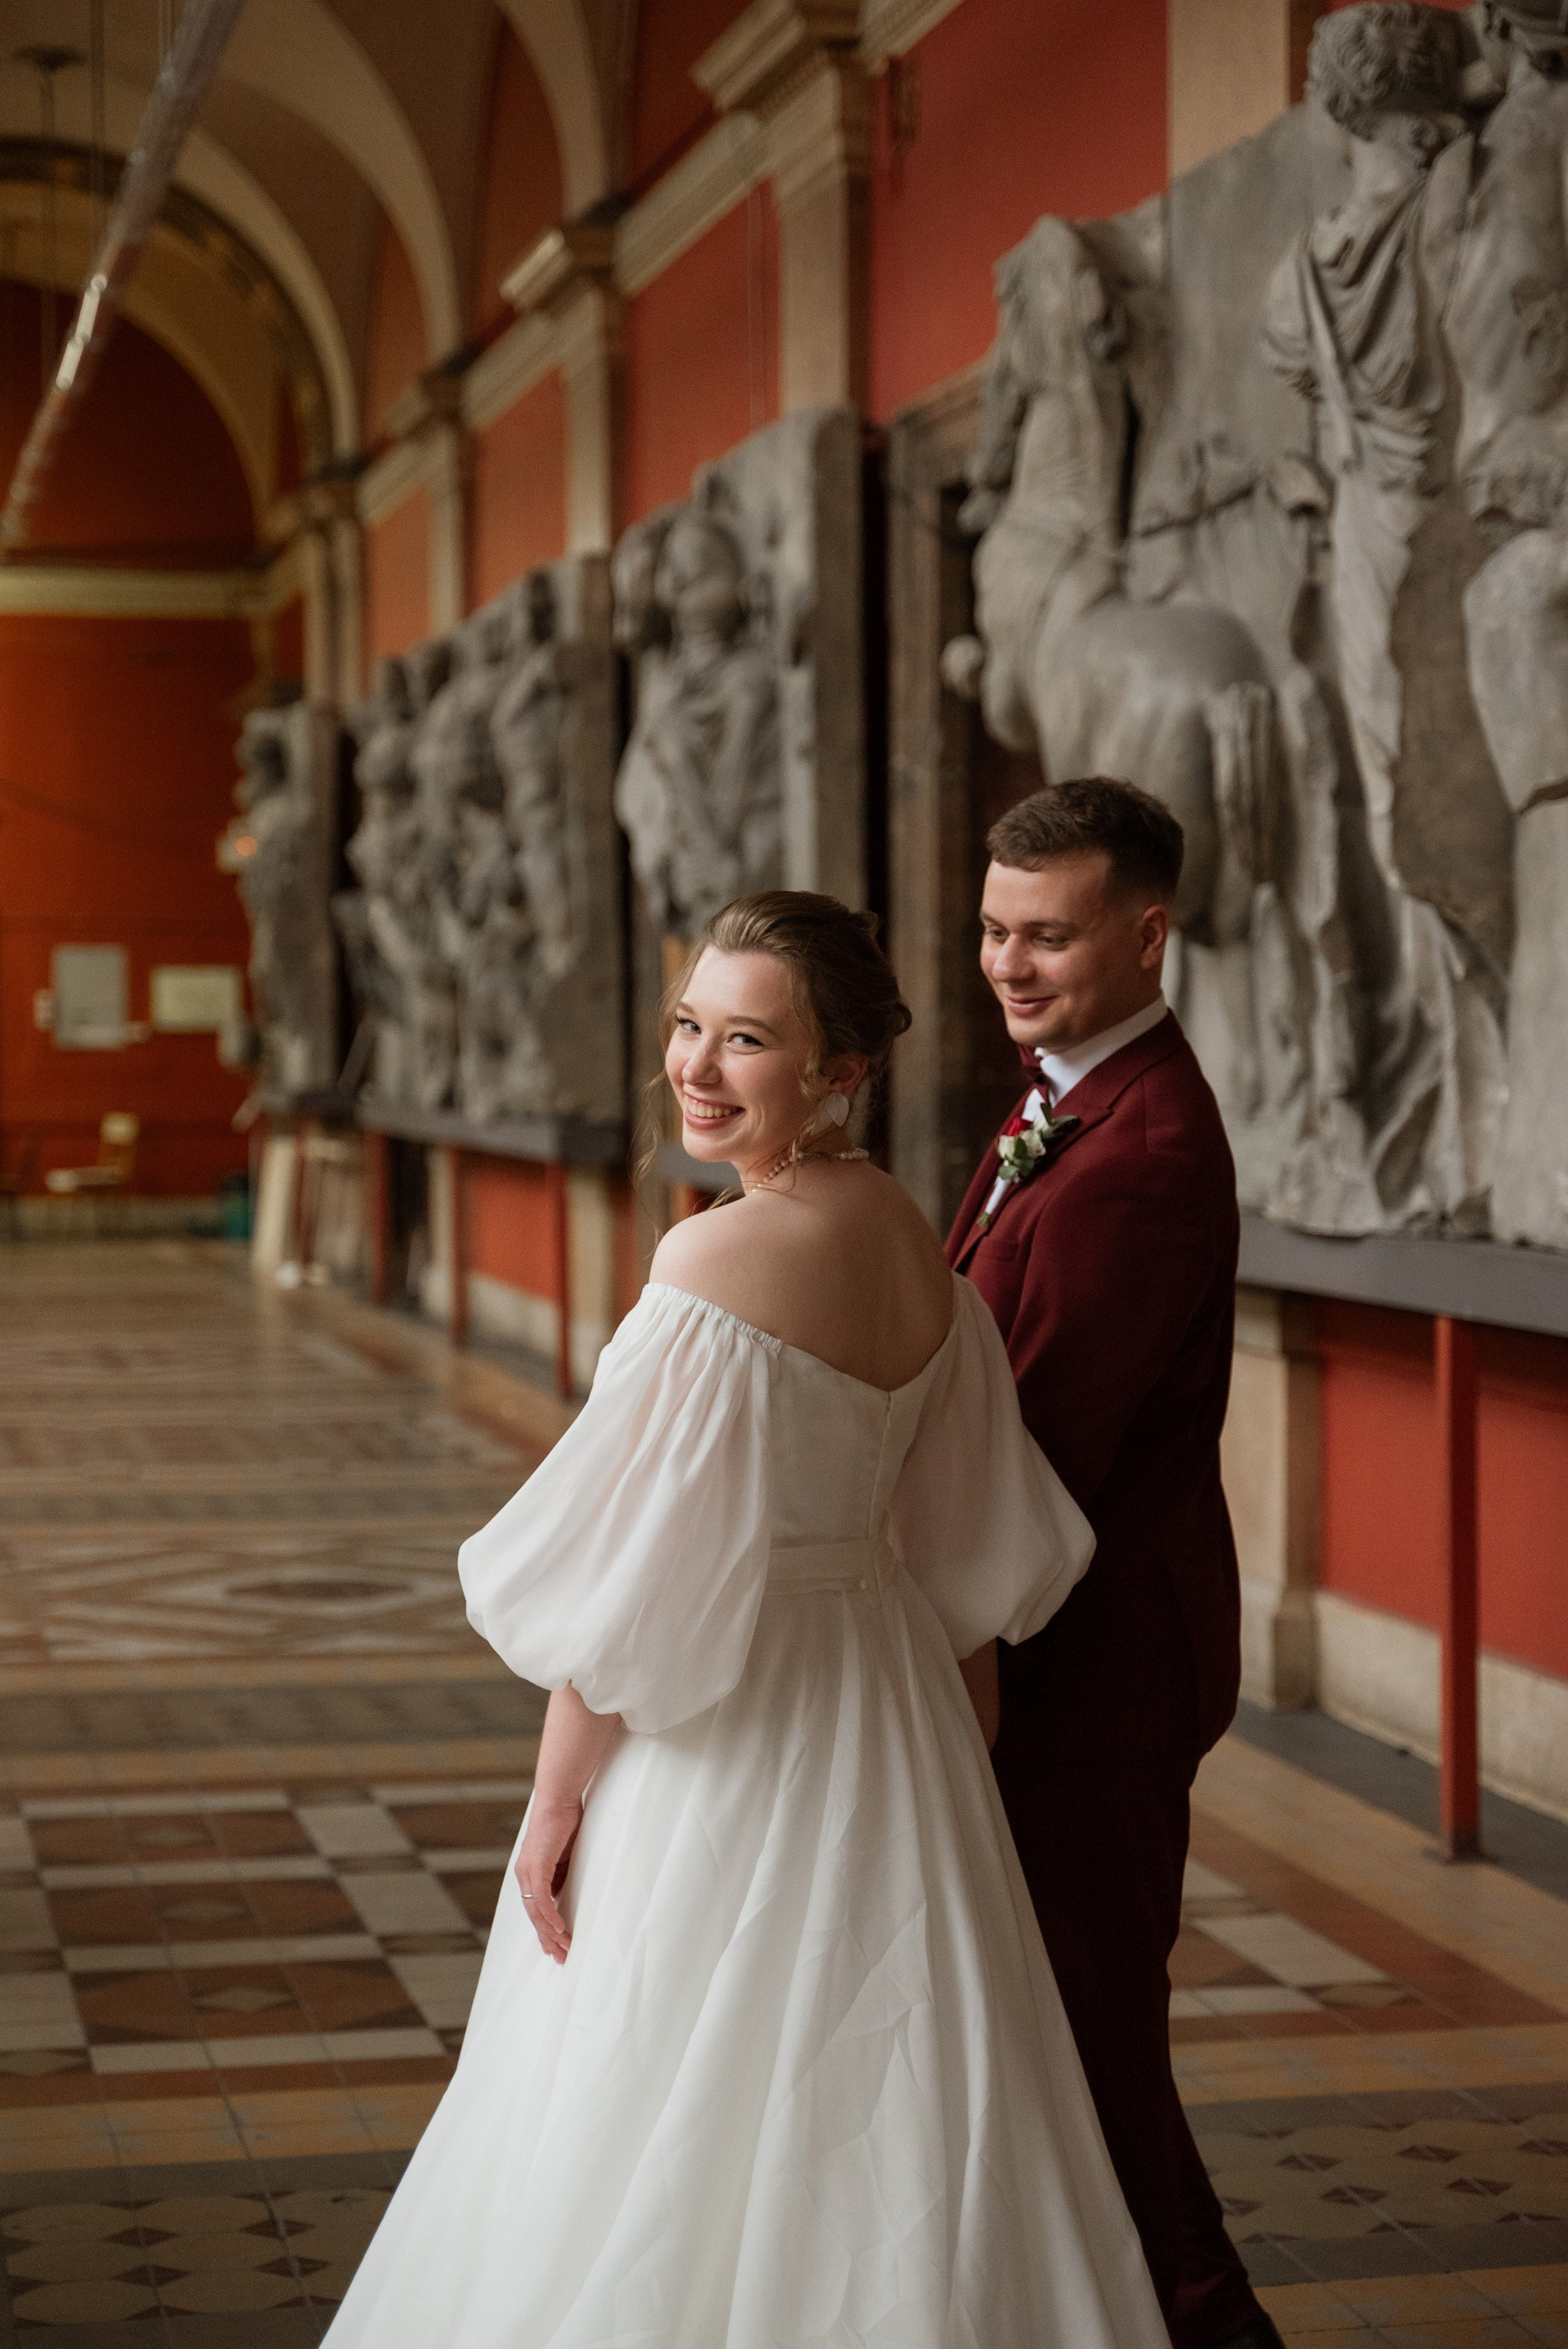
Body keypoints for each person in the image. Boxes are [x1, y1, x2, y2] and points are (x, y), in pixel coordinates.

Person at [325, 890, 1167, 2349]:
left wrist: (551, 1802)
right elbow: (969, 1557)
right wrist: (956, 1771)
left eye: (750, 1041)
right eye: (690, 1026)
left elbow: (632, 1587)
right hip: (890, 1708)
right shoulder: (915, 1244)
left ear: (841, 1070)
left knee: (652, 2098)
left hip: (737, 1725)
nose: (701, 1068)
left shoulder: (713, 1267)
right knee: (901, 2100)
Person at [946, 779, 1281, 2349]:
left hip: (1093, 1668)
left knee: (1091, 2033)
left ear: (1145, 932)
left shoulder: (1138, 1144)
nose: (1009, 965)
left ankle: (1205, 2323)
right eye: (995, 929)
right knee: (1047, 2025)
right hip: (1061, 1645)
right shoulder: (1058, 1091)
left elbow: (1031, 1453)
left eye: (1047, 936)